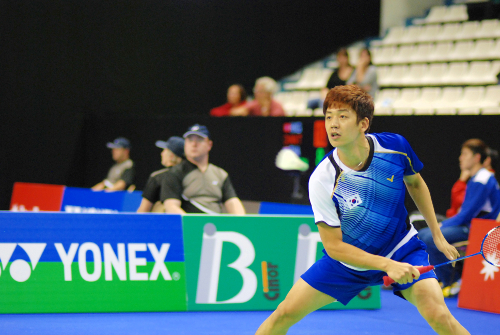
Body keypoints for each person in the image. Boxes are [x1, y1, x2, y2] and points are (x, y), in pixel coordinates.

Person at [255, 85, 468, 335]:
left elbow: (415, 183)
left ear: (363, 124)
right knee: (283, 315)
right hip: (348, 263)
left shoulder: (395, 147)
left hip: (401, 250)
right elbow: (334, 247)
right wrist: (386, 266)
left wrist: (438, 235)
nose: (333, 124)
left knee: (440, 316)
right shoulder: (323, 178)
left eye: (343, 116)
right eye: (328, 117)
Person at [418, 139, 500, 295]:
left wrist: (441, 226)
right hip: (468, 226)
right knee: (423, 234)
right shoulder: (477, 178)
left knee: (430, 238)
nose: (460, 158)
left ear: (476, 158)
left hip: (476, 231)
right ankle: (443, 278)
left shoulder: (482, 180)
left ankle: (452, 281)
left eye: (465, 154)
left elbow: (466, 214)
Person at [160, 124, 246, 214]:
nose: (194, 144)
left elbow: (233, 202)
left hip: (216, 225)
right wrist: (193, 225)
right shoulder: (174, 173)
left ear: (209, 144)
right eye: (190, 140)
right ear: (185, 144)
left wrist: (241, 221)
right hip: (189, 225)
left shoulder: (220, 174)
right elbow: (171, 206)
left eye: (199, 140)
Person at [136, 136, 185, 213]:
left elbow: (143, 211)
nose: (161, 153)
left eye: (164, 150)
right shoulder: (190, 175)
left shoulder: (157, 177)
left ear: (171, 155)